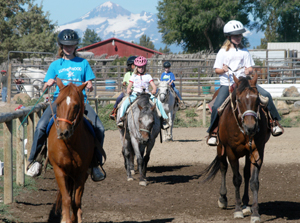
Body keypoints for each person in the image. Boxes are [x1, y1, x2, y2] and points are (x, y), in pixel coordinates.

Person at [26, 29, 105, 181]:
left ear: (76, 46)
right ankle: (35, 161)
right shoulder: (55, 65)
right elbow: (44, 86)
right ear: (61, 46)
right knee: (41, 126)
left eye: (72, 45)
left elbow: (89, 83)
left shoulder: (83, 63)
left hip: (79, 102)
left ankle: (95, 164)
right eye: (65, 45)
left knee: (100, 128)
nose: (69, 48)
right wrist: (48, 83)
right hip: (59, 101)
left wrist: (89, 85)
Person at [207, 20, 283, 146]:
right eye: (236, 35)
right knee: (216, 107)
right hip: (228, 83)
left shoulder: (245, 51)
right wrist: (223, 69)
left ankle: (274, 122)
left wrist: (249, 70)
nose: (238, 38)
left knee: (267, 95)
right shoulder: (222, 52)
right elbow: (216, 70)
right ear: (228, 37)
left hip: (245, 83)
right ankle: (213, 133)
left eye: (240, 35)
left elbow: (250, 68)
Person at [117, 56, 170, 129]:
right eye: (139, 67)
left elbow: (154, 86)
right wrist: (128, 89)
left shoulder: (148, 76)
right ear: (136, 67)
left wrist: (154, 89)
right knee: (125, 103)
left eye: (142, 67)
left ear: (144, 67)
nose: (141, 69)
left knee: (158, 103)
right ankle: (121, 119)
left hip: (147, 95)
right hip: (136, 94)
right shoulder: (133, 76)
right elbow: (129, 86)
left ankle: (164, 120)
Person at [109, 56, 137, 120]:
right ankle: (114, 111)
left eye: (135, 65)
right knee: (119, 98)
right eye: (133, 65)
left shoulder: (138, 75)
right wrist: (124, 84)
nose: (134, 66)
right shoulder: (127, 74)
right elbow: (124, 83)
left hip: (136, 91)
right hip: (127, 92)